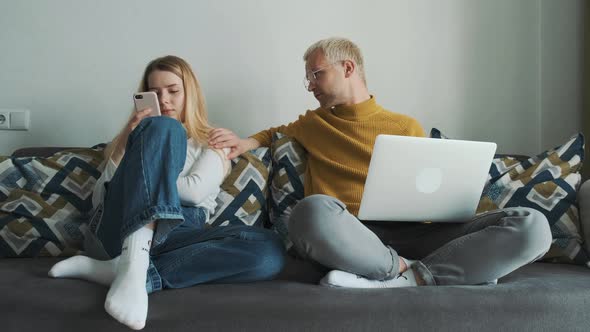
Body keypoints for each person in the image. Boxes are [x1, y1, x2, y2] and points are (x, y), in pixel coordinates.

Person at [209, 37, 552, 289]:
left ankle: (403, 278)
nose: (310, 86)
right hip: (352, 237)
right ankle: (419, 271)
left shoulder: (405, 126)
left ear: (347, 67)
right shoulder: (313, 123)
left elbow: (427, 191)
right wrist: (245, 142)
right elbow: (273, 133)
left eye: (316, 74)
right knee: (308, 212)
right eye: (308, 79)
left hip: (418, 232)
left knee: (533, 225)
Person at [48, 55, 285, 330]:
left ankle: (124, 271)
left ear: (190, 94)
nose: (164, 100)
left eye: (173, 91)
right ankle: (133, 260)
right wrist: (128, 140)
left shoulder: (212, 142)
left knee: (269, 250)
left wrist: (143, 178)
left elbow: (195, 193)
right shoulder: (132, 140)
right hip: (117, 230)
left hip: (178, 233)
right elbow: (100, 199)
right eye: (155, 93)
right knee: (164, 127)